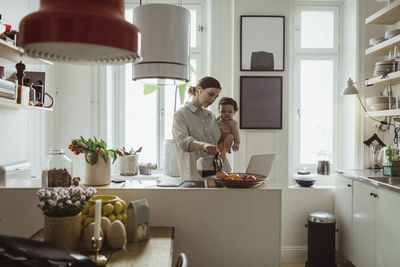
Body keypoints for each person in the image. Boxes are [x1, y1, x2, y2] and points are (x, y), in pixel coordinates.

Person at [172, 76, 231, 179]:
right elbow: (183, 142)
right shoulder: (180, 114)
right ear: (199, 90)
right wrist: (203, 145)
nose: (212, 99)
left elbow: (219, 143)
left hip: (219, 175)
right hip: (195, 177)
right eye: (211, 94)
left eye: (216, 97)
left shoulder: (211, 116)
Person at [216, 97, 240, 162]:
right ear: (219, 111)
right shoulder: (217, 120)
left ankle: (221, 165)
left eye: (230, 112)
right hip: (217, 138)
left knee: (231, 136)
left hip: (226, 138)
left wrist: (237, 143)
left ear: (234, 112)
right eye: (223, 112)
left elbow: (236, 133)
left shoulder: (233, 123)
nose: (226, 114)